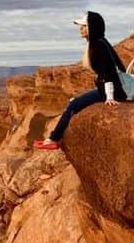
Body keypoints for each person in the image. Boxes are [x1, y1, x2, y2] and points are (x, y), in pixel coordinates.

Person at [33, 11, 126, 151]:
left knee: (73, 105)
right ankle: (53, 138)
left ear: (92, 28)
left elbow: (107, 72)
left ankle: (53, 139)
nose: (80, 29)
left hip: (110, 91)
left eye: (84, 26)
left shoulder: (97, 45)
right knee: (74, 102)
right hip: (106, 88)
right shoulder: (99, 42)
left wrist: (110, 97)